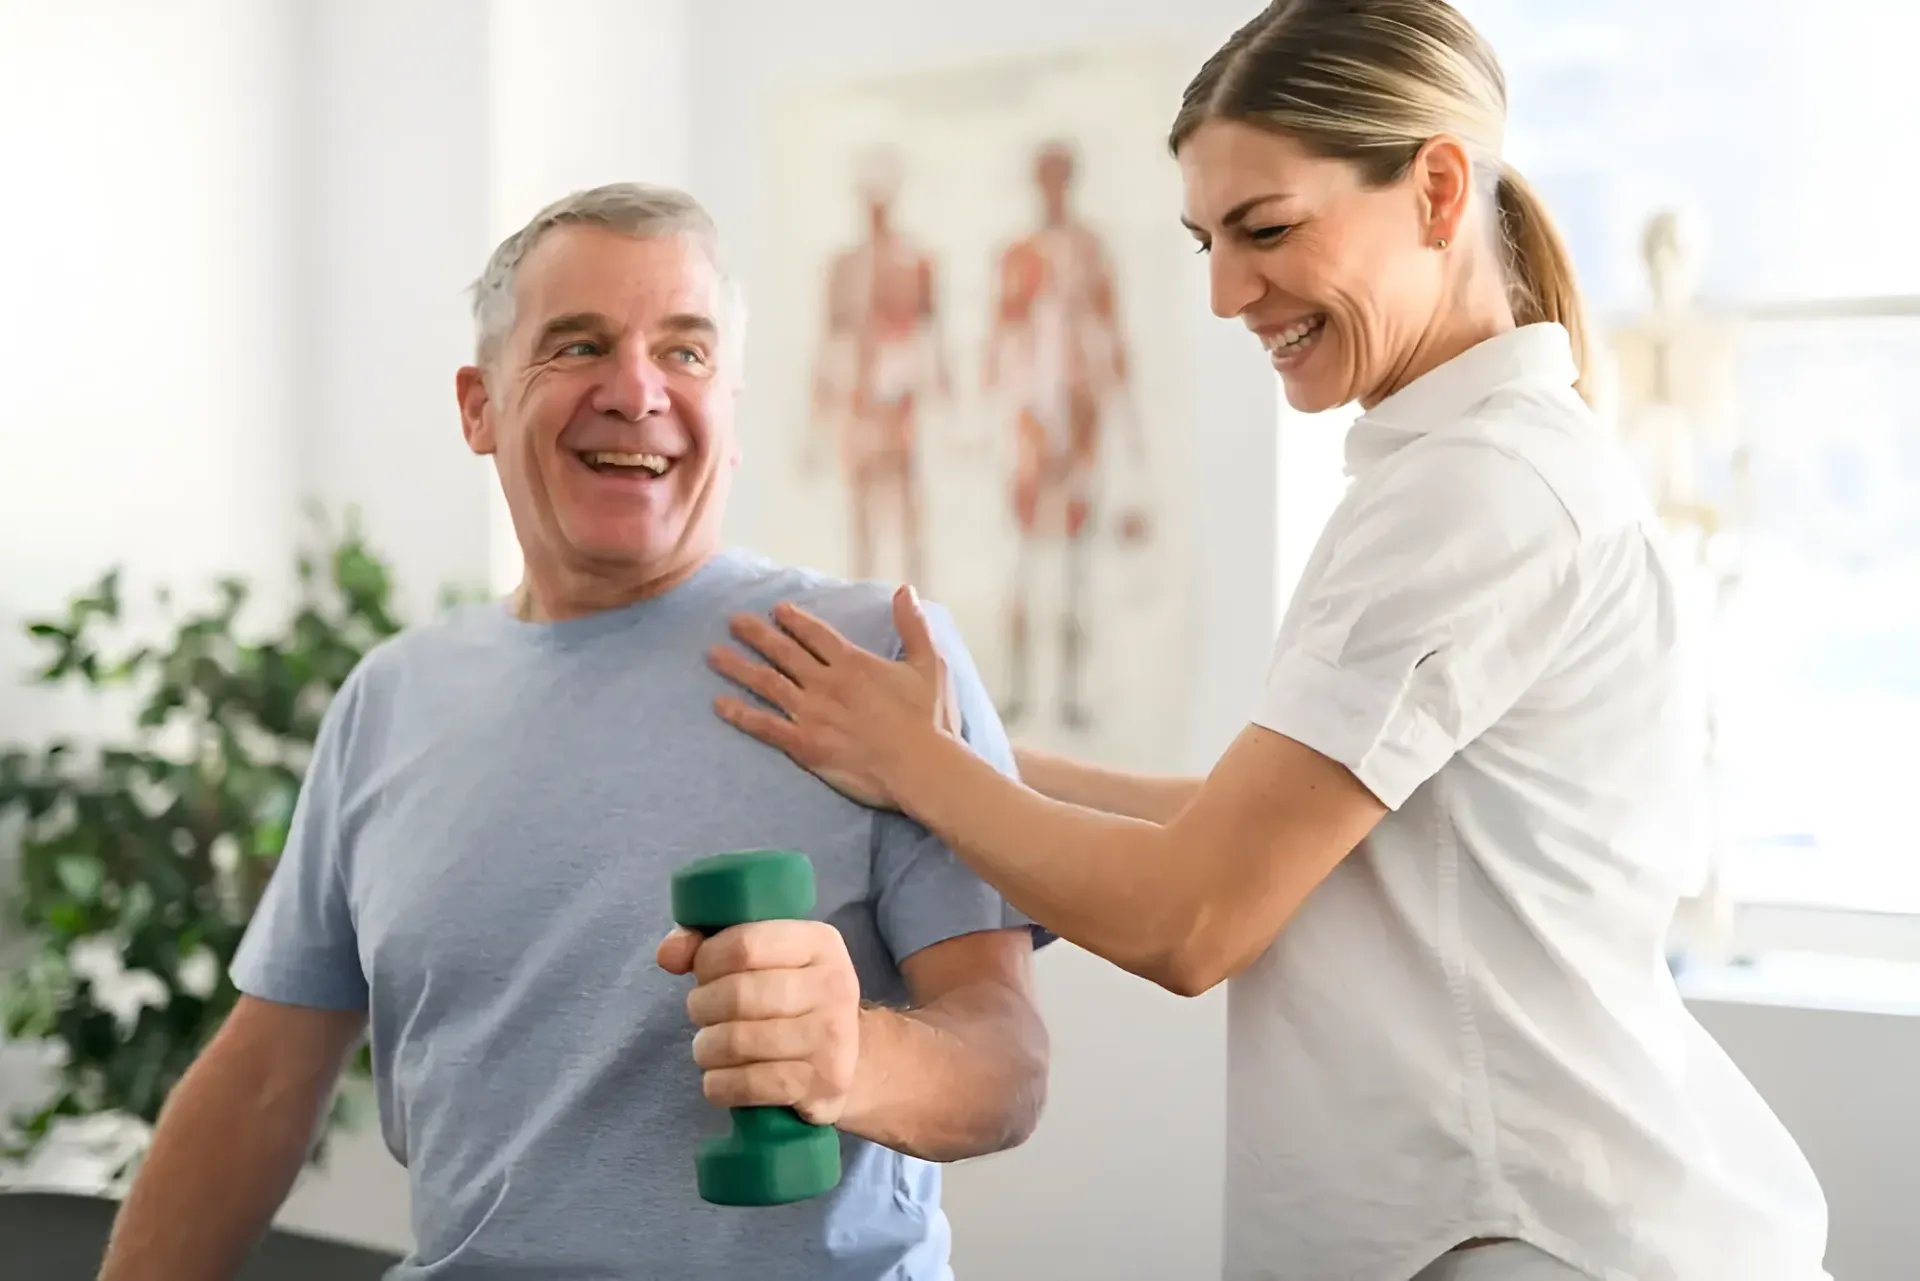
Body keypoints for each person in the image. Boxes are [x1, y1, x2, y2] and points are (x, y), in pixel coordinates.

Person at [702, 2, 1832, 1279]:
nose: (1230, 292)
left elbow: (1196, 916)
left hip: (1521, 1234)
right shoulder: (1452, 472)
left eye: (1268, 229)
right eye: (1206, 241)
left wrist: (922, 769)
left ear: (1438, 188)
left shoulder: (1480, 494)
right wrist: (969, 748)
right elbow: (1276, 831)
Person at [94, 183, 1049, 1281]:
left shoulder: (876, 655)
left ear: (729, 409)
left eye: (685, 354)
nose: (637, 391)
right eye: (579, 345)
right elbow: (263, 1078)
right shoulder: (391, 699)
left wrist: (857, 1060)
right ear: (478, 406)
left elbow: (1005, 1064)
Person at [982, 139, 1140, 729]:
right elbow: (1000, 336)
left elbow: (1113, 334)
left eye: (1058, 177)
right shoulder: (1018, 254)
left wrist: (1129, 430)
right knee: (1023, 557)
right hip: (1029, 416)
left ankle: (1070, 692)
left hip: (1079, 413)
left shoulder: (1091, 251)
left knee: (1075, 559)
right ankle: (1018, 690)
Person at [810, 146, 951, 588]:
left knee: (907, 509)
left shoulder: (914, 261)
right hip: (858, 398)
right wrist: (817, 413)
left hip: (899, 398)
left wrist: (945, 402)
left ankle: (917, 606)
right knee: (861, 513)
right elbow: (828, 340)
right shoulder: (844, 266)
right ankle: (864, 602)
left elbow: (932, 336)